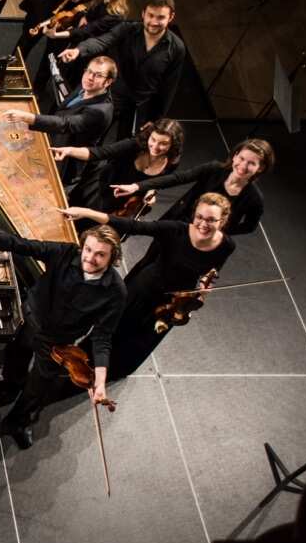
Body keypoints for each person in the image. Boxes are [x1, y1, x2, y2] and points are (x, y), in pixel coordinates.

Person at [0, 222, 126, 451]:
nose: (90, 258)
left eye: (100, 255)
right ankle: (9, 387)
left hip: (57, 342)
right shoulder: (65, 253)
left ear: (112, 257)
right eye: (88, 249)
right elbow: (17, 243)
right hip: (29, 318)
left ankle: (18, 420)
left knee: (38, 386)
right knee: (15, 358)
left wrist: (100, 381)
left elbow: (103, 337)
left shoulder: (116, 291)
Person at [59, 193, 236, 379]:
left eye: (211, 220)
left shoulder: (227, 245)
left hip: (174, 303)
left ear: (222, 221)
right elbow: (133, 226)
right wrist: (86, 212)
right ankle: (83, 362)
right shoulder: (175, 230)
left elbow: (215, 266)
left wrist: (206, 284)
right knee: (115, 328)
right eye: (199, 217)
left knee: (139, 341)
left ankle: (113, 371)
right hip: (145, 290)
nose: (203, 224)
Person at [58, 0, 186, 140]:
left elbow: (168, 86)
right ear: (143, 13)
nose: (154, 22)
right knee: (88, 138)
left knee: (124, 147)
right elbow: (103, 41)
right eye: (150, 15)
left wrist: (156, 119)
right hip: (113, 97)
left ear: (171, 17)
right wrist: (78, 50)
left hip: (140, 106)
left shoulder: (177, 48)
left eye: (161, 17)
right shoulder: (126, 29)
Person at [112, 138, 273, 235]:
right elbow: (178, 178)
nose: (243, 166)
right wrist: (137, 187)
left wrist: (217, 230)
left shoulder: (255, 199)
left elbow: (249, 227)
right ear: (235, 155)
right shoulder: (214, 169)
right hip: (178, 222)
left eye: (251, 163)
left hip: (203, 238)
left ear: (261, 168)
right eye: (242, 158)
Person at [2, 56, 117, 184]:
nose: (90, 77)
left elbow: (65, 124)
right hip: (53, 138)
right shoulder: (87, 85)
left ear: (108, 82)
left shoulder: (100, 111)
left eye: (98, 75)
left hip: (63, 158)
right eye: (89, 71)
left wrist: (27, 117)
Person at [55, 118, 185, 223]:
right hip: (103, 189)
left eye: (163, 143)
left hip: (125, 205)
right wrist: (69, 151)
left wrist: (151, 193)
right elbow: (100, 152)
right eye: (153, 139)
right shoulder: (134, 145)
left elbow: (159, 183)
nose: (155, 146)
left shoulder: (171, 162)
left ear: (173, 144)